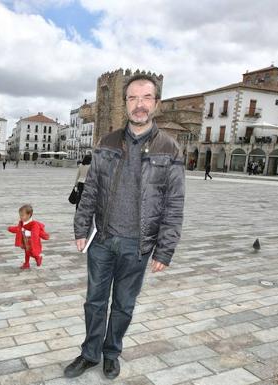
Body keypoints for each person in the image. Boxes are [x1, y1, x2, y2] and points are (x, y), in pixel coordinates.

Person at [67, 74, 185, 380]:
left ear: (156, 103)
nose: (139, 105)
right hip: (102, 239)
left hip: (138, 245)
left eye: (146, 98)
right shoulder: (107, 143)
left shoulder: (170, 148)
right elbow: (90, 188)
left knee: (123, 305)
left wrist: (165, 248)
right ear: (125, 103)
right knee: (94, 301)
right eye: (133, 98)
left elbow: (174, 204)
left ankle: (111, 353)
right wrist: (81, 228)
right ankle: (90, 353)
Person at [7, 204, 49, 269]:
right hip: (25, 241)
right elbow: (18, 229)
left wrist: (26, 232)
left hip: (32, 242)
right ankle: (26, 263)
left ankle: (38, 257)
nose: (20, 217)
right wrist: (11, 228)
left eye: (22, 215)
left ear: (29, 215)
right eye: (20, 215)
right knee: (26, 252)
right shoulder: (22, 222)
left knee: (32, 253)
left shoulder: (34, 224)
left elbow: (35, 233)